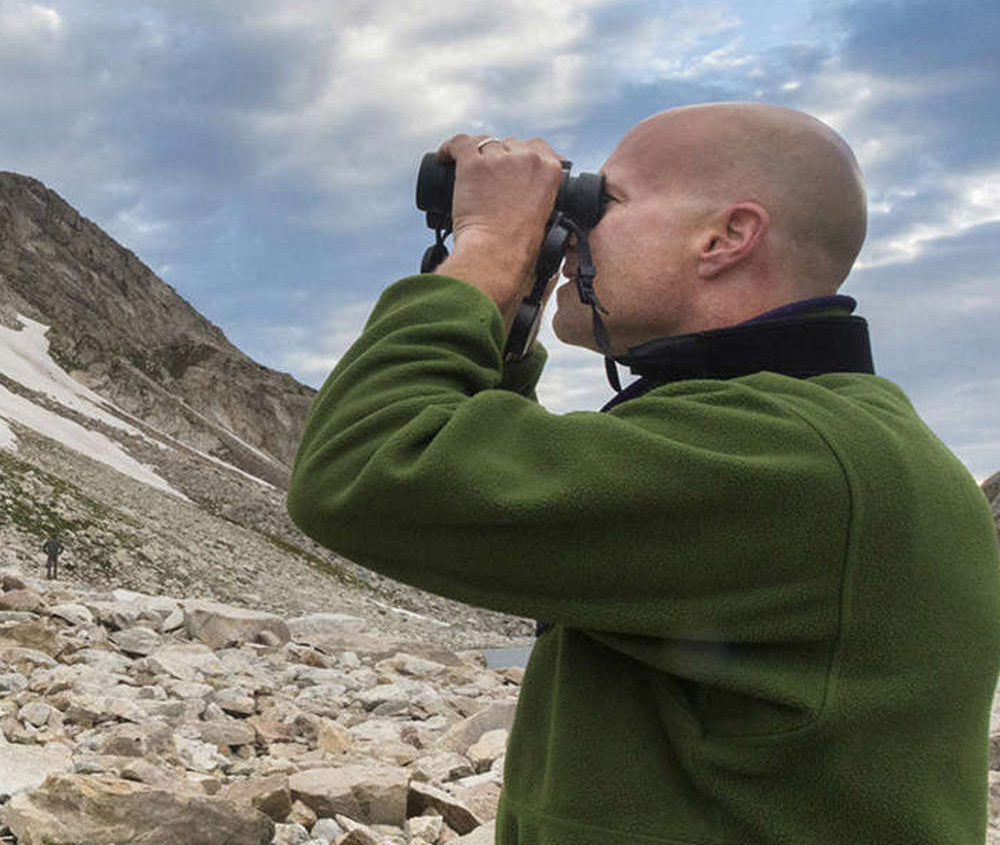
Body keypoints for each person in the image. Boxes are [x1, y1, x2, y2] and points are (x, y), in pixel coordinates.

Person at [289, 103, 1000, 845]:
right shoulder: (807, 434)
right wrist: (515, 303)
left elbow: (366, 467)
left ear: (725, 238)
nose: (568, 232)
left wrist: (491, 244)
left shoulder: (792, 461)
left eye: (604, 202)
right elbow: (479, 481)